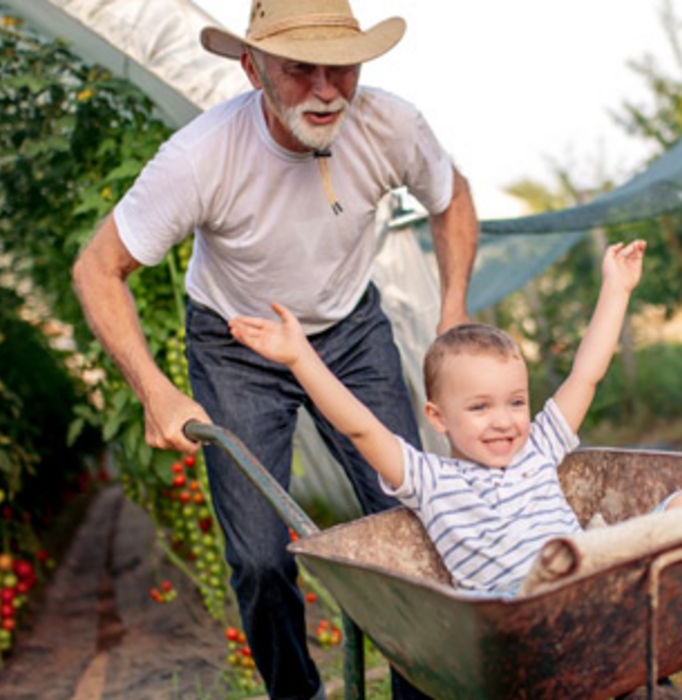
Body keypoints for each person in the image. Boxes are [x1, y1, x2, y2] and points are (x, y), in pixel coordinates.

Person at [70, 0, 478, 697]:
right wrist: (154, 389)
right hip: (236, 346)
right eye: (299, 71)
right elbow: (95, 268)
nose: (325, 91)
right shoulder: (201, 157)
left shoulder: (390, 125)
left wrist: (451, 312)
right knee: (259, 556)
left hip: (349, 334)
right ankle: (298, 693)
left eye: (341, 69)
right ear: (251, 67)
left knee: (409, 522)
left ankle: (420, 692)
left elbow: (452, 196)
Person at [230, 240, 682, 597]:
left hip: (593, 577)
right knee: (554, 572)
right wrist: (300, 358)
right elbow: (360, 426)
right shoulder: (429, 479)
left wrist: (616, 290)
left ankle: (670, 605)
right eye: (479, 407)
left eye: (515, 403)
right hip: (524, 606)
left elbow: (586, 374)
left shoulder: (540, 446)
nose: (503, 421)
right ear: (438, 417)